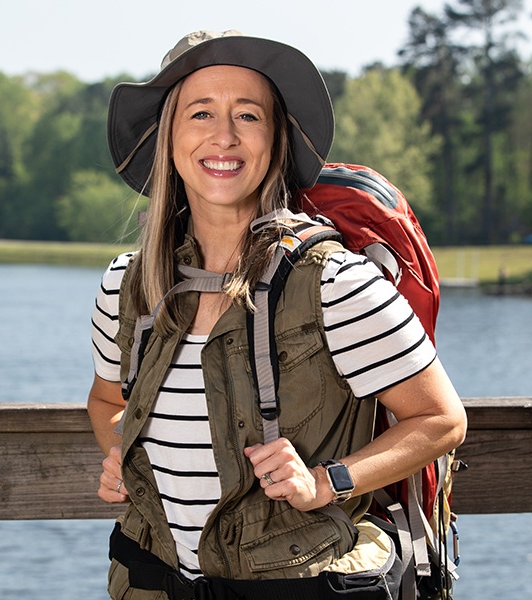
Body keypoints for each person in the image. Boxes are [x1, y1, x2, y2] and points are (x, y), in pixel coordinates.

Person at [87, 30, 467, 600]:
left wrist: (327, 481)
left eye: (247, 115)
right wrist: (123, 452)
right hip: (152, 581)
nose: (223, 136)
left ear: (276, 140)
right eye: (200, 113)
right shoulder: (128, 284)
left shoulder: (334, 283)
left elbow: (441, 421)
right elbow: (107, 403)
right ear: (168, 138)